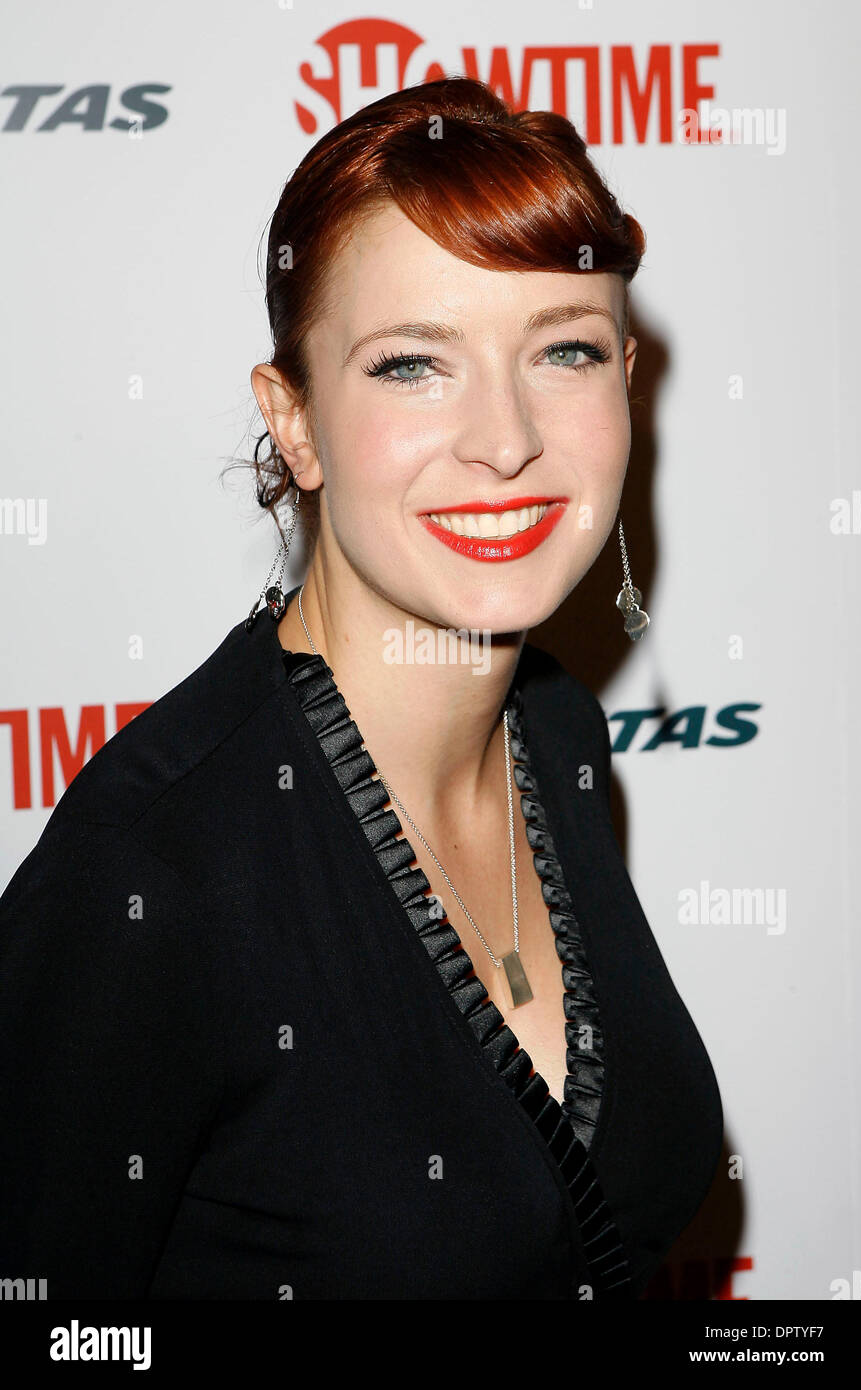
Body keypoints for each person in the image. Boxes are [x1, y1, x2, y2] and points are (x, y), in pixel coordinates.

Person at [0, 75, 722, 1300]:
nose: (504, 439)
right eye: (410, 366)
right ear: (294, 423)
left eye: (563, 348)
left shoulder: (557, 732)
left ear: (626, 381)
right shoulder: (153, 872)